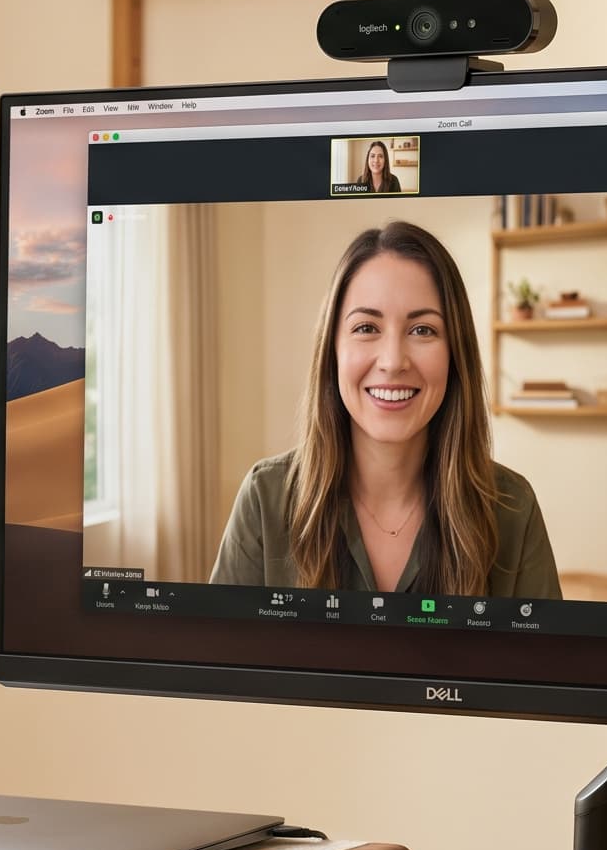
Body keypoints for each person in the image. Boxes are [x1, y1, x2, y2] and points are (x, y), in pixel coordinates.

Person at [210, 221, 560, 598]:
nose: (393, 362)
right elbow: (217, 653)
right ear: (333, 351)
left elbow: (543, 659)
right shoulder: (265, 498)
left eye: (423, 330)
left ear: (455, 355)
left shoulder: (512, 508)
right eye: (366, 327)